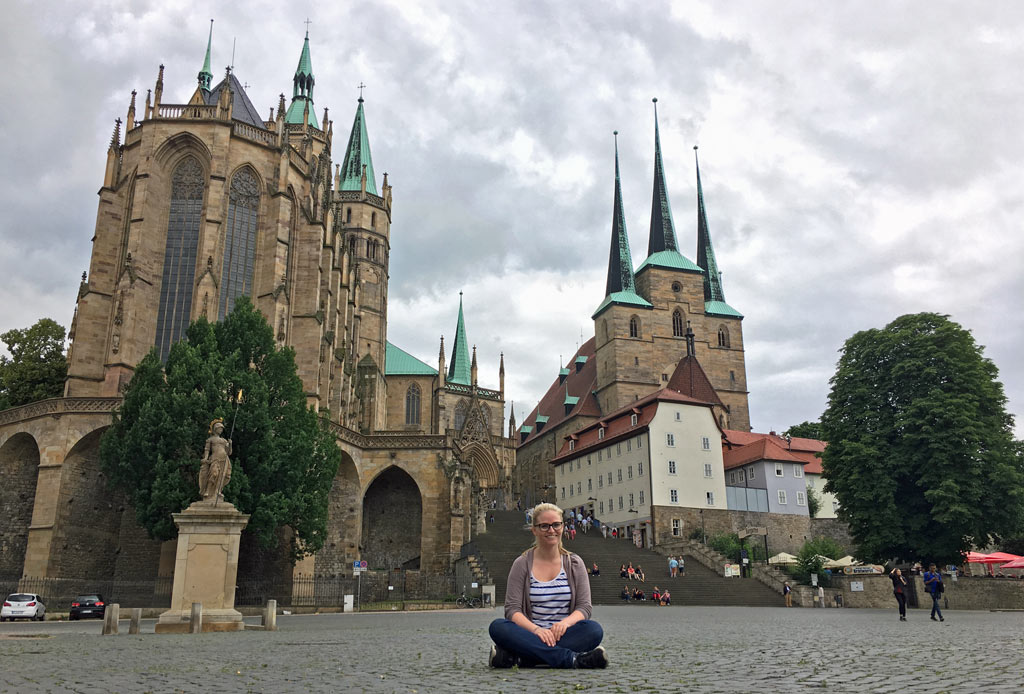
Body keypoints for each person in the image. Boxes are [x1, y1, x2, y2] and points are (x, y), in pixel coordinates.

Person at [489, 502, 608, 669]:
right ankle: (572, 660)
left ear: (563, 527)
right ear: (534, 530)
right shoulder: (522, 563)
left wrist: (565, 624)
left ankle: (520, 659)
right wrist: (537, 631)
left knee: (594, 630)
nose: (551, 530)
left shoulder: (574, 563)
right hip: (529, 634)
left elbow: (584, 608)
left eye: (556, 525)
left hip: (564, 635)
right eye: (544, 526)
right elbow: (512, 610)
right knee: (498, 627)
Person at [199, 419, 232, 501]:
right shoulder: (210, 440)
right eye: (219, 428)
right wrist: (205, 458)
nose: (221, 430)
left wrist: (230, 444)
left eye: (222, 429)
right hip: (215, 458)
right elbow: (207, 450)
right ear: (215, 429)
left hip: (224, 460)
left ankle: (218, 491)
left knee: (222, 476)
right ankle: (208, 491)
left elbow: (229, 452)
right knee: (214, 474)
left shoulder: (224, 440)